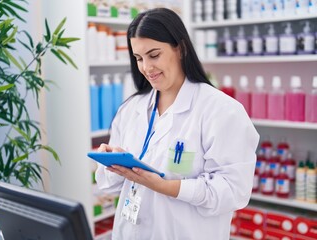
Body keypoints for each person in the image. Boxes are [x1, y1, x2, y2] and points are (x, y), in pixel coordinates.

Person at [95, 8, 259, 240]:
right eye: (139, 58)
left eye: (154, 55)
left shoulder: (221, 111)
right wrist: (113, 164)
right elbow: (109, 186)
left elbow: (233, 192)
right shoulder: (131, 109)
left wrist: (165, 186)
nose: (146, 68)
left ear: (180, 48)